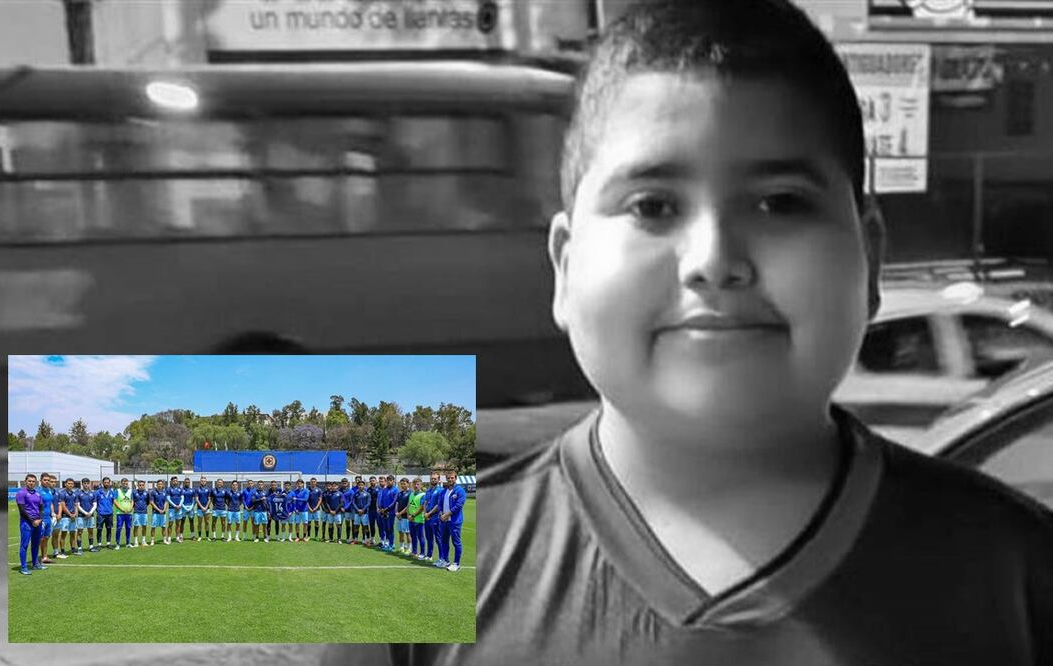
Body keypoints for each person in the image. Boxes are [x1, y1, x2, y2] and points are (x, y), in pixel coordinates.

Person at [327, 2, 1053, 663]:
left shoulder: (1020, 575)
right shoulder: (399, 571)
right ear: (565, 266)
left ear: (870, 262)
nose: (713, 261)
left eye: (779, 203)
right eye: (652, 206)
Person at [15, 474, 45, 575]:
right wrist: (32, 521)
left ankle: (35, 563)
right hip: (27, 523)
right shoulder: (21, 493)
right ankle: (23, 567)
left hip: (38, 522)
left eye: (33, 481)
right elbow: (22, 510)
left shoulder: (38, 493)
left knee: (36, 544)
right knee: (24, 545)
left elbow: (41, 507)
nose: (31, 483)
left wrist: (40, 519)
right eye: (29, 481)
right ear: (25, 481)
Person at [437, 471, 465, 572]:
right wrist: (441, 514)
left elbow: (458, 506)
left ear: (455, 478)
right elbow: (439, 504)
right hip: (444, 521)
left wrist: (447, 515)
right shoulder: (443, 491)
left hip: (454, 521)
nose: (450, 480)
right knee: (444, 541)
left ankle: (456, 564)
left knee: (456, 542)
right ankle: (446, 561)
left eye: (452, 478)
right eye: (448, 478)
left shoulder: (460, 490)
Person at [422, 472, 442, 564]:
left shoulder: (440, 490)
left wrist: (429, 513)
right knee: (429, 537)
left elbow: (438, 505)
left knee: (438, 538)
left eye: (435, 479)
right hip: (427, 517)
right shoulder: (428, 490)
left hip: (435, 517)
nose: (433, 480)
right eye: (432, 478)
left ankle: (441, 558)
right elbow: (425, 502)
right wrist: (425, 513)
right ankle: (429, 555)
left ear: (438, 480)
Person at [57, 477, 79, 557]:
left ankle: (73, 549)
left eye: (72, 484)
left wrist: (75, 513)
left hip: (73, 516)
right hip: (65, 516)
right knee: (64, 534)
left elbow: (76, 505)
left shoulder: (74, 494)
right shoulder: (62, 493)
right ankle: (62, 550)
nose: (70, 485)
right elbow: (62, 505)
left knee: (73, 533)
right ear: (65, 484)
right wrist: (70, 514)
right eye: (69, 483)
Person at [36, 473, 55, 564]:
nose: (47, 481)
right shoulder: (38, 491)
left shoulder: (49, 490)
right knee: (40, 539)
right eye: (45, 480)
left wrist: (53, 513)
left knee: (46, 538)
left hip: (48, 518)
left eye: (48, 480)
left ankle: (44, 557)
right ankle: (36, 557)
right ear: (41, 480)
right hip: (41, 518)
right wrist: (39, 517)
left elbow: (50, 503)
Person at [75, 477, 97, 553]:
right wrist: (85, 513)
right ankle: (79, 548)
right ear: (82, 484)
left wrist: (90, 513)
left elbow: (95, 504)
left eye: (87, 483)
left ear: (89, 484)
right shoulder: (78, 493)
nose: (86, 485)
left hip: (91, 516)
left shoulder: (92, 493)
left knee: (90, 531)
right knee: (80, 532)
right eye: (85, 483)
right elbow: (78, 505)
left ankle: (91, 547)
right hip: (81, 516)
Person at [95, 476, 116, 549]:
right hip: (101, 514)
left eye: (108, 482)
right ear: (102, 483)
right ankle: (99, 544)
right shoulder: (98, 492)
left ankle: (108, 543)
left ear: (109, 483)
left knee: (109, 528)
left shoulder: (111, 492)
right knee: (99, 529)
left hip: (109, 514)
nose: (107, 484)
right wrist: (98, 510)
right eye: (105, 482)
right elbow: (95, 503)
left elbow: (113, 502)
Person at [408, 478, 426, 560]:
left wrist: (413, 516)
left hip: (419, 520)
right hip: (411, 519)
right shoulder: (411, 494)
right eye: (414, 484)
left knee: (420, 537)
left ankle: (422, 553)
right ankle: (414, 552)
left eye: (418, 484)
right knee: (413, 536)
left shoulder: (423, 495)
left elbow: (422, 507)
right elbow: (409, 505)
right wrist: (408, 515)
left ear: (421, 485)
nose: (416, 486)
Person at [113, 477, 134, 548]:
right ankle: (117, 544)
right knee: (119, 528)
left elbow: (132, 501)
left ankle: (128, 543)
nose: (125, 484)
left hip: (128, 513)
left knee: (128, 528)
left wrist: (131, 508)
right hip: (120, 514)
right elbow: (115, 501)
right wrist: (121, 509)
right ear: (121, 484)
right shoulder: (117, 491)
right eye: (123, 483)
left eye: (126, 483)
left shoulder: (130, 491)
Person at [394, 478, 411, 555]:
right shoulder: (399, 493)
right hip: (399, 516)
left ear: (408, 484)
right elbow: (397, 503)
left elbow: (408, 506)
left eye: (404, 483)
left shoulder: (410, 493)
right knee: (400, 532)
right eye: (401, 484)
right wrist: (396, 513)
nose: (402, 485)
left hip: (405, 516)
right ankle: (401, 547)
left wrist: (400, 513)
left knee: (407, 533)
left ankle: (409, 548)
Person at [149, 479, 168, 545]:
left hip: (163, 513)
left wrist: (164, 509)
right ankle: (152, 541)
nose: (160, 485)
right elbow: (151, 502)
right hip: (155, 513)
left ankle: (164, 540)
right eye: (158, 484)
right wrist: (158, 510)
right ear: (156, 485)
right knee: (153, 527)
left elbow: (166, 502)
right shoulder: (153, 492)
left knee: (163, 527)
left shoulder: (164, 492)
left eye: (161, 484)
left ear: (162, 485)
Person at [132, 479, 150, 546]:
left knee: (144, 526)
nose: (141, 486)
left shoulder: (147, 493)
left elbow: (148, 502)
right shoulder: (134, 492)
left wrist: (144, 507)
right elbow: (132, 502)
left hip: (144, 512)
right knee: (136, 526)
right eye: (140, 485)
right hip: (136, 512)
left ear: (144, 486)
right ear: (137, 486)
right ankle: (136, 541)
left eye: (142, 485)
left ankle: (143, 541)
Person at [165, 475, 182, 544]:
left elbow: (182, 498)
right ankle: (169, 538)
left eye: (176, 480)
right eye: (174, 481)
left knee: (178, 524)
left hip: (179, 509)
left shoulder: (180, 489)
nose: (175, 482)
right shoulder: (169, 489)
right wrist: (175, 506)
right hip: (172, 509)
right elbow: (168, 499)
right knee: (170, 524)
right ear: (171, 482)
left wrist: (179, 505)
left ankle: (177, 538)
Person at [353, 479, 371, 545]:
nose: (360, 486)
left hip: (364, 513)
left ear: (364, 486)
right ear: (357, 486)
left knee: (366, 527)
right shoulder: (355, 494)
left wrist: (363, 510)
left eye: (362, 485)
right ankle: (356, 539)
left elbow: (368, 503)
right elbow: (353, 502)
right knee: (356, 526)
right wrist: (358, 510)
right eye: (359, 485)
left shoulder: (367, 494)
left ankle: (367, 540)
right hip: (357, 513)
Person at [195, 476, 212, 541]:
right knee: (199, 523)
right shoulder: (197, 489)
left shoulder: (208, 489)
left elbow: (209, 499)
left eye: (204, 481)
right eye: (202, 481)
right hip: (199, 509)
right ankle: (199, 536)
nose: (203, 482)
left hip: (207, 509)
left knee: (207, 522)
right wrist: (202, 507)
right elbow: (197, 499)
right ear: (200, 481)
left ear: (206, 482)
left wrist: (206, 507)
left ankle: (207, 536)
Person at [179, 477, 196, 541]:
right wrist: (183, 506)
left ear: (189, 483)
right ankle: (181, 536)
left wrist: (192, 506)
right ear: (184, 483)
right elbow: (180, 499)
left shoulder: (192, 490)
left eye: (188, 482)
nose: (187, 483)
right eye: (186, 482)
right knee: (182, 522)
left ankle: (192, 535)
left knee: (191, 522)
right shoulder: (181, 490)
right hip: (183, 508)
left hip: (190, 508)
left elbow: (194, 499)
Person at [306, 477, 323, 542]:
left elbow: (320, 499)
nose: (313, 482)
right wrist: (309, 508)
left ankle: (316, 536)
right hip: (309, 510)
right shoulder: (307, 490)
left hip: (317, 510)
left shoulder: (319, 490)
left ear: (316, 482)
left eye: (314, 481)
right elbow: (306, 500)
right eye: (312, 481)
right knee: (309, 523)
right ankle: (309, 536)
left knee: (316, 523)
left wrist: (316, 507)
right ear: (310, 482)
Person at [341, 478, 356, 543]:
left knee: (349, 524)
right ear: (341, 483)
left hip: (349, 510)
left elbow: (351, 501)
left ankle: (350, 538)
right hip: (341, 510)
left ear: (347, 483)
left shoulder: (351, 491)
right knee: (340, 524)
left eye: (345, 483)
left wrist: (345, 508)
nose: (344, 484)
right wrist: (341, 507)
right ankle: (340, 538)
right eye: (343, 483)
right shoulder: (339, 490)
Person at [367, 476, 380, 546]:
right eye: (371, 481)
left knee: (379, 525)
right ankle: (372, 539)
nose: (372, 482)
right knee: (371, 525)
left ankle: (382, 540)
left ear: (376, 481)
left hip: (377, 510)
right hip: (370, 510)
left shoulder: (379, 489)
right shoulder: (368, 489)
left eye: (373, 480)